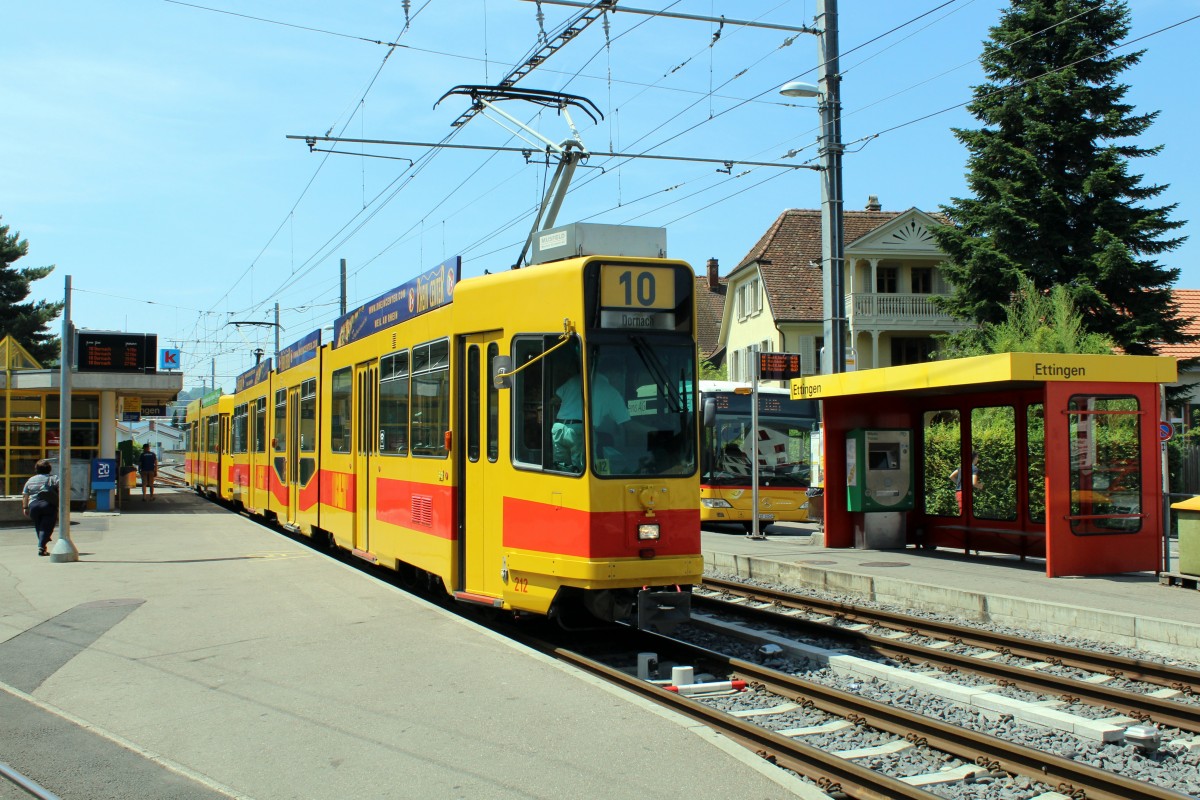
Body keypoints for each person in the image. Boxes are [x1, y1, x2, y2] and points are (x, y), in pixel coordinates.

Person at [552, 369, 632, 470]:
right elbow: (626, 423)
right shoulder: (610, 391)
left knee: (561, 468)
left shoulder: (576, 379)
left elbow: (554, 400)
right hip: (580, 431)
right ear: (614, 373)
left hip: (559, 428)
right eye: (621, 374)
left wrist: (569, 405)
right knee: (582, 469)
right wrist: (652, 429)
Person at [22, 459, 60, 556]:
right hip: (48, 505)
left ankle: (43, 547)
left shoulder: (30, 480)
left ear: (36, 469)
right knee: (47, 527)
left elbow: (25, 495)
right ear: (49, 469)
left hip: (33, 506)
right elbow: (62, 489)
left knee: (39, 527)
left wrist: (25, 507)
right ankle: (41, 546)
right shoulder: (54, 478)